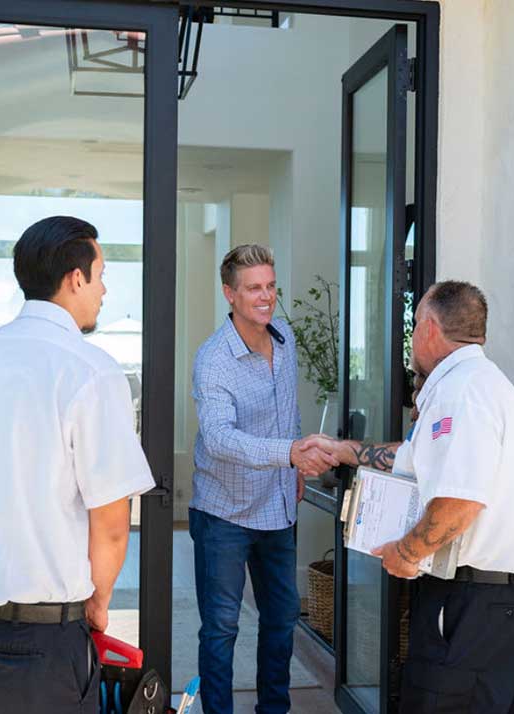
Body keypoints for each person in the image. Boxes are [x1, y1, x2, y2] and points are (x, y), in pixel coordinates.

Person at [0, 216, 154, 714]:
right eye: (101, 275)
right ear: (75, 278)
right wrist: (97, 605)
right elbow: (112, 524)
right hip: (34, 648)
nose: (104, 291)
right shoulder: (90, 371)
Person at [321, 280, 514, 714]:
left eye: (415, 325)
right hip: (494, 603)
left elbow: (460, 503)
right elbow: (414, 459)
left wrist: (406, 552)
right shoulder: (475, 384)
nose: (412, 337)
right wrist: (344, 451)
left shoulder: (462, 392)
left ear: (430, 329)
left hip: (474, 601)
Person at [189, 244, 338, 714]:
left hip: (278, 507)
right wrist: (288, 454)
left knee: (281, 619)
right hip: (224, 513)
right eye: (254, 288)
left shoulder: (284, 338)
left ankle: (274, 709)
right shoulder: (213, 359)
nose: (266, 296)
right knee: (221, 628)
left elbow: (287, 410)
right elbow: (219, 439)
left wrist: (294, 464)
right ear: (229, 293)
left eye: (271, 286)